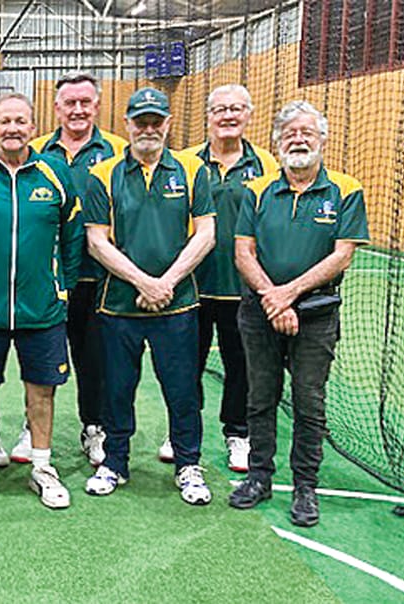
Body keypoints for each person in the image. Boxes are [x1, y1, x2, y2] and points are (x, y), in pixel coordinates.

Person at [229, 100, 369, 527]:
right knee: (260, 398)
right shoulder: (256, 191)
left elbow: (342, 255)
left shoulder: (346, 190)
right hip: (260, 311)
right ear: (276, 143)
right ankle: (259, 477)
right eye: (289, 132)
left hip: (316, 313)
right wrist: (273, 299)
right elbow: (242, 252)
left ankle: (306, 487)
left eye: (307, 132)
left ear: (322, 140)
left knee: (309, 402)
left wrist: (287, 295)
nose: (298, 139)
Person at [0, 92, 83, 510]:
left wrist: (64, 285)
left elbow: (73, 232)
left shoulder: (56, 175)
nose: (12, 128)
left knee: (41, 391)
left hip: (41, 310)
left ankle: (41, 467)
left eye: (20, 121)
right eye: (4, 121)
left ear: (33, 127)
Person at [83, 87, 216, 506]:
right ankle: (115, 463)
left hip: (177, 306)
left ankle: (189, 465)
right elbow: (96, 242)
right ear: (127, 125)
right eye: (140, 121)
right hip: (119, 306)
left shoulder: (193, 171)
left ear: (168, 124)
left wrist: (166, 283)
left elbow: (207, 234)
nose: (148, 129)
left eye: (156, 121)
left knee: (182, 389)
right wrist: (144, 283)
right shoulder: (102, 174)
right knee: (117, 389)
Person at [22, 70, 127, 467]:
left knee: (94, 361)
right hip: (44, 280)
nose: (78, 109)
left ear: (97, 105)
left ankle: (94, 428)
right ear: (57, 108)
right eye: (71, 103)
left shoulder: (117, 151)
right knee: (36, 358)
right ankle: (30, 430)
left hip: (99, 279)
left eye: (86, 102)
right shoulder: (35, 151)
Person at [173, 84, 279, 472]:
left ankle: (238, 434)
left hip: (243, 290)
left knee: (242, 367)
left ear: (249, 114)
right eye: (220, 109)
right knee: (186, 365)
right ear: (208, 115)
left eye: (236, 109)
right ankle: (182, 431)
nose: (228, 116)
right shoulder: (184, 161)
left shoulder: (267, 164)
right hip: (192, 288)